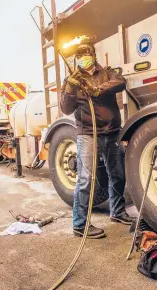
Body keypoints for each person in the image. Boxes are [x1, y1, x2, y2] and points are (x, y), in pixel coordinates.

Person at [60, 39, 134, 239]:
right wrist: (70, 89)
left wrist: (97, 89)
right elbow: (65, 109)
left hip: (112, 132)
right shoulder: (72, 80)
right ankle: (80, 224)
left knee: (118, 174)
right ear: (76, 59)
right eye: (79, 56)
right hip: (88, 134)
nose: (83, 58)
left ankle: (117, 212)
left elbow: (121, 82)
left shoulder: (107, 73)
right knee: (86, 179)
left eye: (86, 54)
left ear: (93, 55)